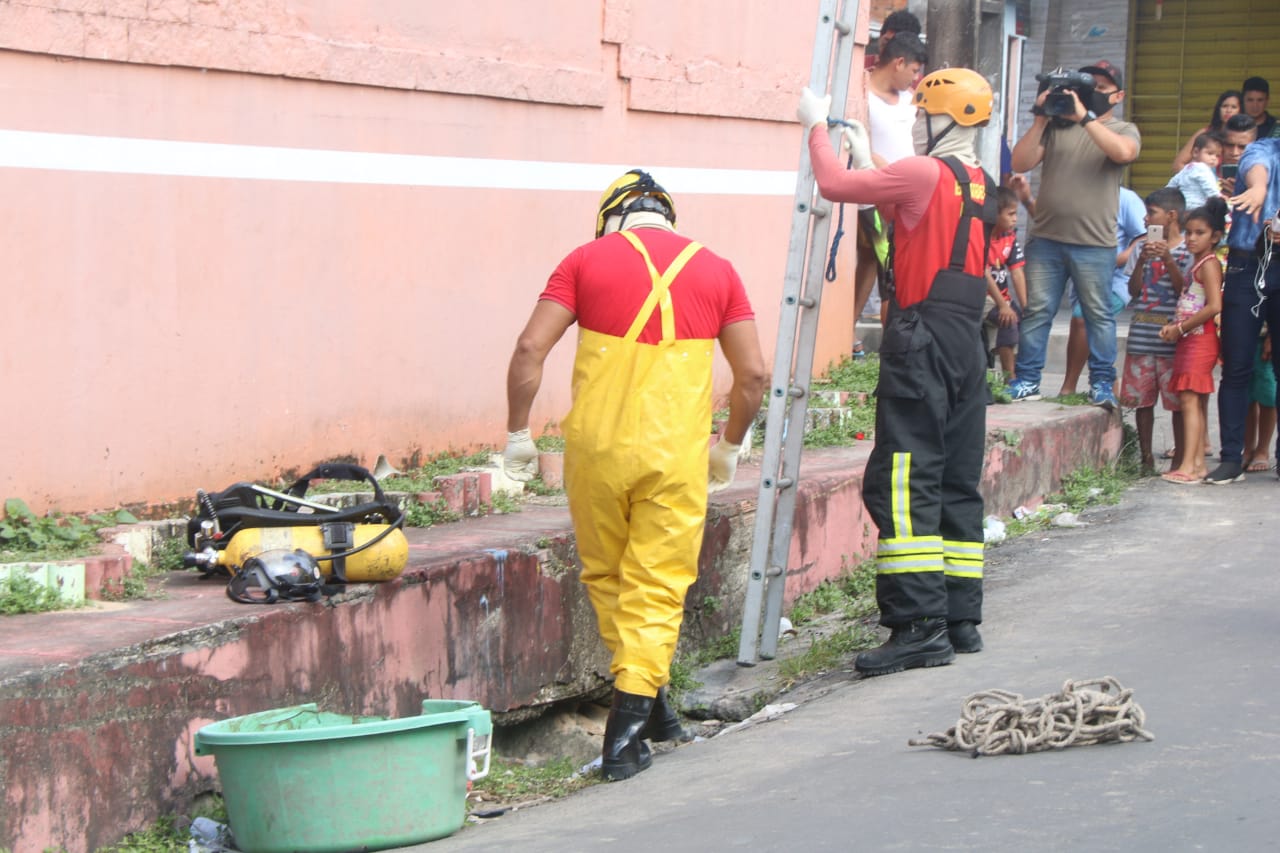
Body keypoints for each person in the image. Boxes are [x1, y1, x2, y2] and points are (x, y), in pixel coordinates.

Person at [502, 170, 767, 778]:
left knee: (608, 574)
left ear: (611, 216)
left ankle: (653, 707)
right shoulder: (718, 270)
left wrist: (518, 434)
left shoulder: (583, 261)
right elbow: (752, 377)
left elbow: (527, 350)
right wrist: (728, 446)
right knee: (658, 581)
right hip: (675, 456)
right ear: (668, 214)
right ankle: (623, 739)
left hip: (596, 452)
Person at [798, 66, 996, 675]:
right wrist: (866, 150)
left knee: (905, 479)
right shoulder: (977, 180)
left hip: (923, 339)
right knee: (957, 476)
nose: (915, 123)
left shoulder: (920, 173)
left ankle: (918, 627)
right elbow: (904, 199)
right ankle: (960, 619)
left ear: (946, 118)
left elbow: (834, 186)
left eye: (922, 115)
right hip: (967, 338)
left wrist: (815, 131)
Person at [1007, 60, 1142, 409]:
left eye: (1099, 87)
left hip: (1094, 244)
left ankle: (1101, 384)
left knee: (1098, 315)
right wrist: (1040, 117)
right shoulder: (1054, 127)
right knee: (1037, 311)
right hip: (1047, 238)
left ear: (1118, 95)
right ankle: (1027, 381)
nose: (1090, 93)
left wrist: (1085, 118)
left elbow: (1123, 153)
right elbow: (1020, 162)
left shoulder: (1124, 129)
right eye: (1087, 87)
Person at [1206, 131, 1280, 484]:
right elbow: (1257, 166)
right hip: (1245, 265)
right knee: (1236, 368)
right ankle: (1231, 458)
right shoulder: (1263, 149)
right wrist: (1260, 190)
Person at [851, 30, 928, 355]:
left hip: (906, 200)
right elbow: (862, 144)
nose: (915, 79)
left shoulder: (911, 101)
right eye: (913, 71)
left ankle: (857, 335)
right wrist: (892, 177)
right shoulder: (861, 94)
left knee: (880, 266)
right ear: (898, 62)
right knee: (885, 271)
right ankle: (890, 350)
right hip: (874, 196)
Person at [1120, 187, 1190, 472]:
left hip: (1172, 339)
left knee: (1176, 404)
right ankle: (1146, 458)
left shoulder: (1188, 249)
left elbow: (1184, 291)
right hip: (1141, 336)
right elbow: (1133, 291)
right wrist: (1143, 262)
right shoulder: (1140, 248)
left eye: (1152, 213)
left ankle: (1178, 458)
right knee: (1141, 402)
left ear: (1171, 216)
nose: (1146, 219)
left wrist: (1169, 260)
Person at [1160, 198, 1227, 483]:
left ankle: (1188, 466)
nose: (1190, 238)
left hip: (1200, 340)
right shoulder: (1198, 263)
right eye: (1188, 232)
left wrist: (1181, 328)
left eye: (1199, 233)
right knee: (1193, 401)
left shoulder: (1209, 264)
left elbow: (1214, 306)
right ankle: (1197, 464)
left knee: (1189, 399)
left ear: (1215, 237)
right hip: (1191, 339)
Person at [1057, 185, 1147, 397]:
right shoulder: (1076, 195)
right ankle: (1110, 398)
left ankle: (1068, 387)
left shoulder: (1126, 198)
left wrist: (1122, 259)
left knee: (1083, 319)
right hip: (1083, 278)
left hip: (1116, 280)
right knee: (1094, 335)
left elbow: (1144, 236)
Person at [984, 186, 1027, 381]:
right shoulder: (981, 236)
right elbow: (983, 274)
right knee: (1008, 321)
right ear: (995, 213)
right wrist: (1002, 305)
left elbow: (1017, 273)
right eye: (1010, 214)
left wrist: (1026, 306)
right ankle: (1010, 379)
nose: (1015, 219)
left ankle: (1024, 376)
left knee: (1025, 319)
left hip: (1002, 299)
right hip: (983, 298)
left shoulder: (1009, 237)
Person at [1172, 89, 1242, 171]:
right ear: (1218, 109)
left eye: (1233, 107)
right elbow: (1178, 165)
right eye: (1224, 106)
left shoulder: (1245, 137)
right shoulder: (1205, 133)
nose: (1228, 111)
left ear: (1240, 111)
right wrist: (1196, 178)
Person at [1243, 326, 1276, 472]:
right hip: (1243, 332)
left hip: (1267, 331)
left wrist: (1272, 336)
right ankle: (1248, 448)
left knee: (1268, 394)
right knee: (1245, 394)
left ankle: (1262, 449)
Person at [1167, 132, 1224, 209]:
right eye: (1210, 153)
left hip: (1183, 206)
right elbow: (1211, 189)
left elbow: (1172, 184)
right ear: (1195, 152)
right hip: (1199, 208)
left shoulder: (1187, 168)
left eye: (1217, 156)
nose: (1214, 158)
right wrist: (1222, 201)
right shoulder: (1203, 168)